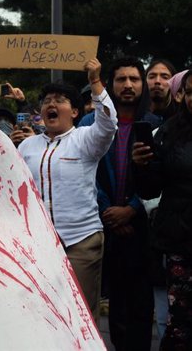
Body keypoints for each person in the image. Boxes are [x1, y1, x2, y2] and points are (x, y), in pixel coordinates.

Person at [18, 58, 116, 319]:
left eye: (60, 100)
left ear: (74, 112)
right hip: (38, 244)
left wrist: (95, 82)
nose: (51, 104)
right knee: (42, 314)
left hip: (80, 241)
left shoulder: (86, 138)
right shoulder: (27, 146)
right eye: (47, 100)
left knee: (80, 316)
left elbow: (108, 125)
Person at [79, 56, 159, 351]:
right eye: (121, 79)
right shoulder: (90, 123)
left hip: (142, 227)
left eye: (134, 79)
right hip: (103, 225)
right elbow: (84, 172)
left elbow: (160, 177)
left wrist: (132, 209)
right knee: (115, 308)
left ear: (143, 84)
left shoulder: (155, 124)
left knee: (141, 305)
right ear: (110, 85)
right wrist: (108, 210)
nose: (127, 85)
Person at [132, 68, 192, 350]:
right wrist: (142, 166)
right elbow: (149, 190)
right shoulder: (169, 131)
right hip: (181, 242)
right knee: (180, 324)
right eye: (190, 92)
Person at [146, 58, 177, 123]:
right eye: (152, 77)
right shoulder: (135, 115)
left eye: (165, 77)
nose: (157, 81)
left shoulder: (182, 118)